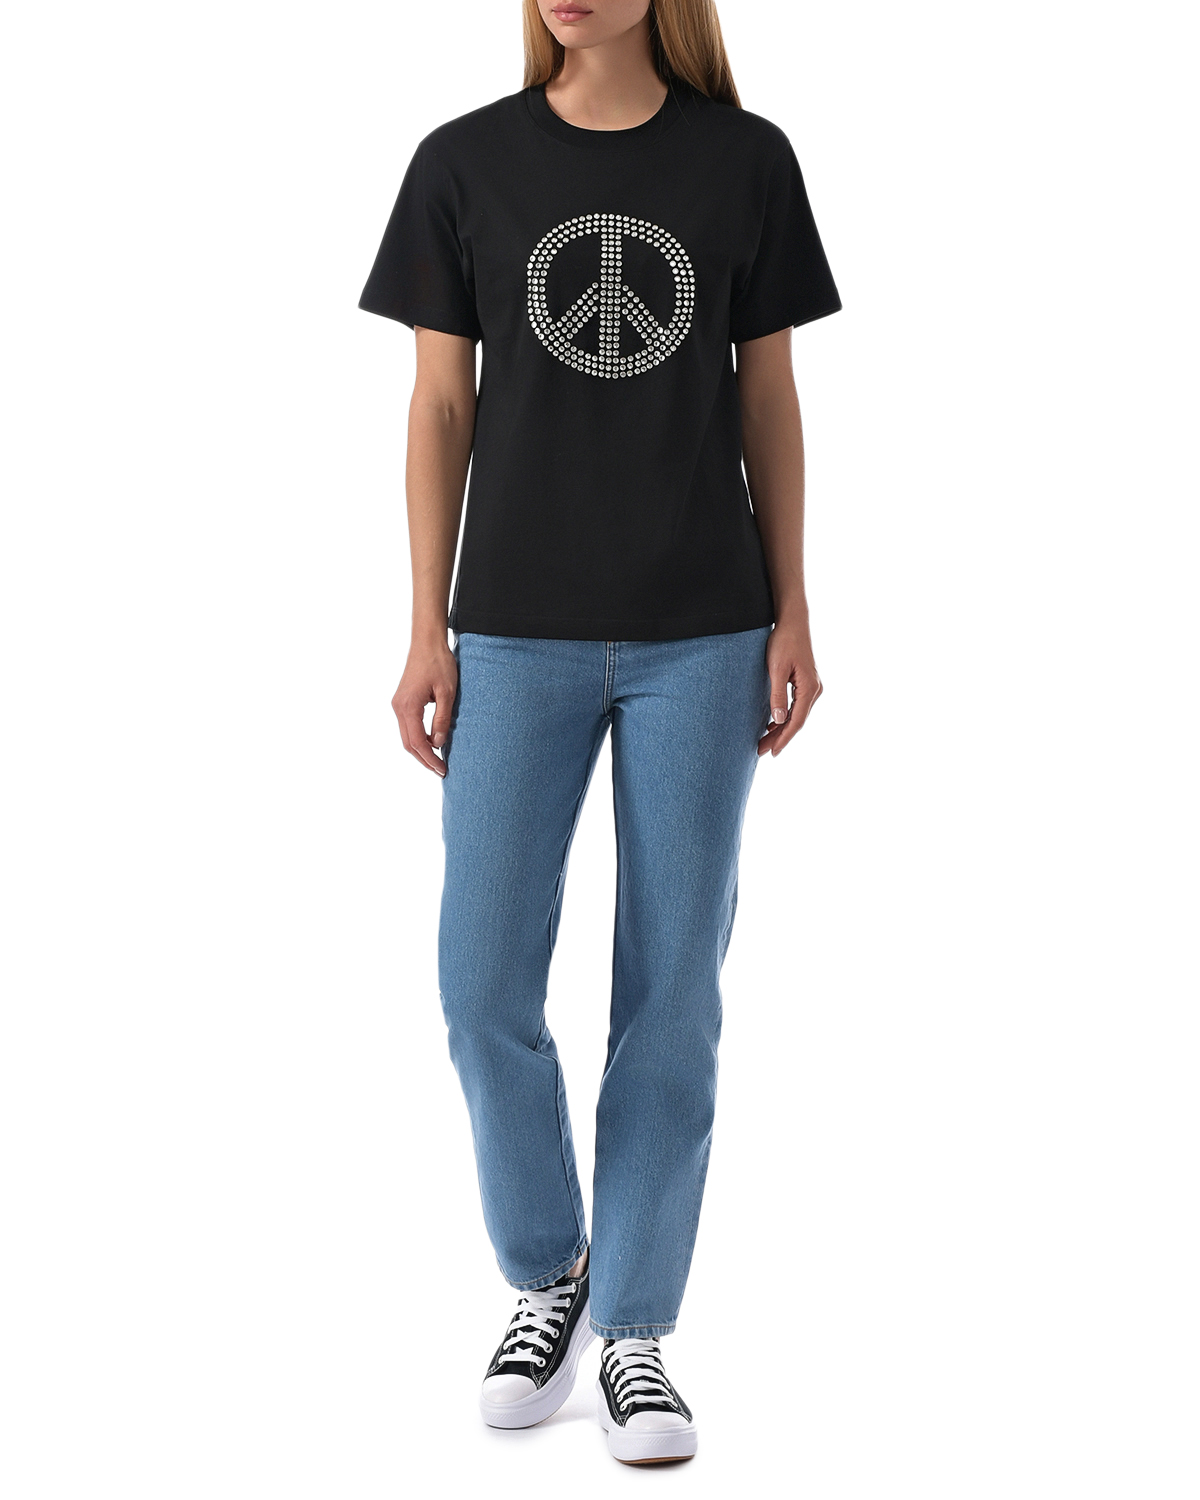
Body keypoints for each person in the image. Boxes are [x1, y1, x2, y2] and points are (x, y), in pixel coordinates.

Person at [357, 0, 839, 1467]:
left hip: (705, 630)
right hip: (512, 631)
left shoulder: (746, 161)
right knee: (481, 980)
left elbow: (768, 396)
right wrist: (427, 624)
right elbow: (441, 406)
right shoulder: (462, 163)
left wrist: (793, 606)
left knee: (672, 987)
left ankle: (635, 1323)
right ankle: (550, 1269)